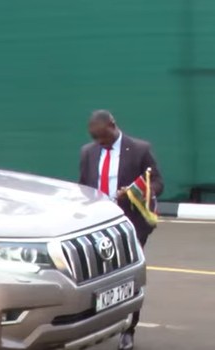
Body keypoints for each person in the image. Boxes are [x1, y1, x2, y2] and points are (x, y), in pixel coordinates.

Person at [78, 110, 163, 350]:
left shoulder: (139, 149)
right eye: (97, 140)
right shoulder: (88, 152)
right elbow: (84, 186)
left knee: (129, 278)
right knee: (94, 279)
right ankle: (94, 325)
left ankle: (129, 330)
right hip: (97, 226)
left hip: (131, 226)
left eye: (104, 139)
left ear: (113, 125)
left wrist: (137, 192)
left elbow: (157, 183)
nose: (101, 144)